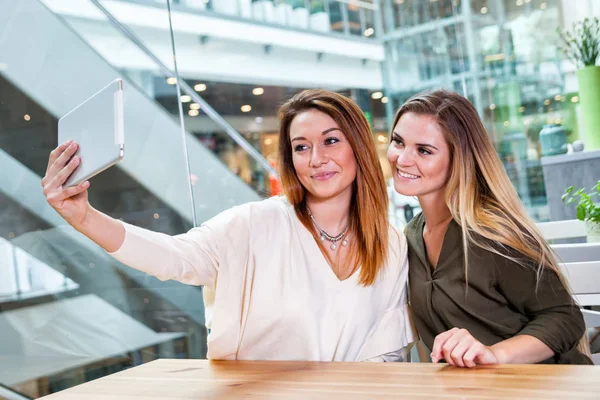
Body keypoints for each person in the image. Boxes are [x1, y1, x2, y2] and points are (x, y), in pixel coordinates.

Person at [42, 89, 416, 362]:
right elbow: (175, 257)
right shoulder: (254, 224)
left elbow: (388, 355)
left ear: (359, 148)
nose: (316, 159)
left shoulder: (392, 243)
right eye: (301, 147)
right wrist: (85, 218)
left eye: (331, 141)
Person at [386, 89, 592, 367]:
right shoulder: (409, 237)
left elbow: (565, 318)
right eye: (398, 142)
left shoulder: (491, 233)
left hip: (543, 387)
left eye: (424, 150)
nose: (402, 159)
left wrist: (495, 354)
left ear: (458, 158)